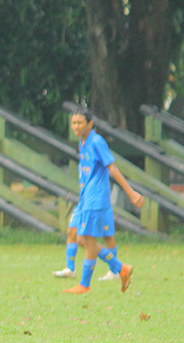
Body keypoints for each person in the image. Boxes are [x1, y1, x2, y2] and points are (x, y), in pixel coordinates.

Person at [62, 108, 145, 294]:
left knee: (88, 240)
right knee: (82, 238)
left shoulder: (97, 142)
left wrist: (131, 193)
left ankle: (85, 284)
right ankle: (120, 268)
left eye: (79, 123)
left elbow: (112, 167)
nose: (75, 126)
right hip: (86, 198)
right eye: (73, 123)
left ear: (90, 124)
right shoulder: (83, 142)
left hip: (95, 198)